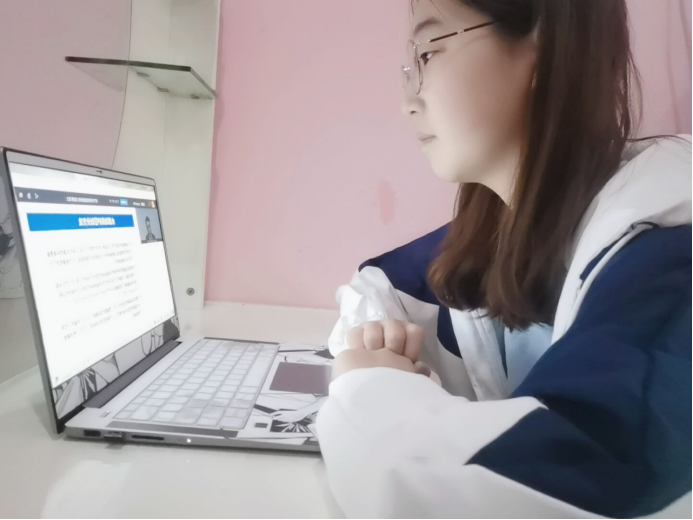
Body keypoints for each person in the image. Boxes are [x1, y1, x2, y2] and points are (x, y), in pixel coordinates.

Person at [315, 0, 692, 518]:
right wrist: (379, 355)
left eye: (429, 51)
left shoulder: (670, 244)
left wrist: (371, 386)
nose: (408, 101)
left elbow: (539, 485)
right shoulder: (509, 229)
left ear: (545, 48)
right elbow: (377, 292)